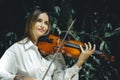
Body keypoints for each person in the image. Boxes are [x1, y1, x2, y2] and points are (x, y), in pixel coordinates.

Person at [0, 8, 96, 80]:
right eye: (39, 21)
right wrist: (18, 78)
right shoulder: (18, 49)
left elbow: (60, 78)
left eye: (46, 23)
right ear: (31, 23)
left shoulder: (54, 51)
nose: (43, 26)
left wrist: (79, 63)